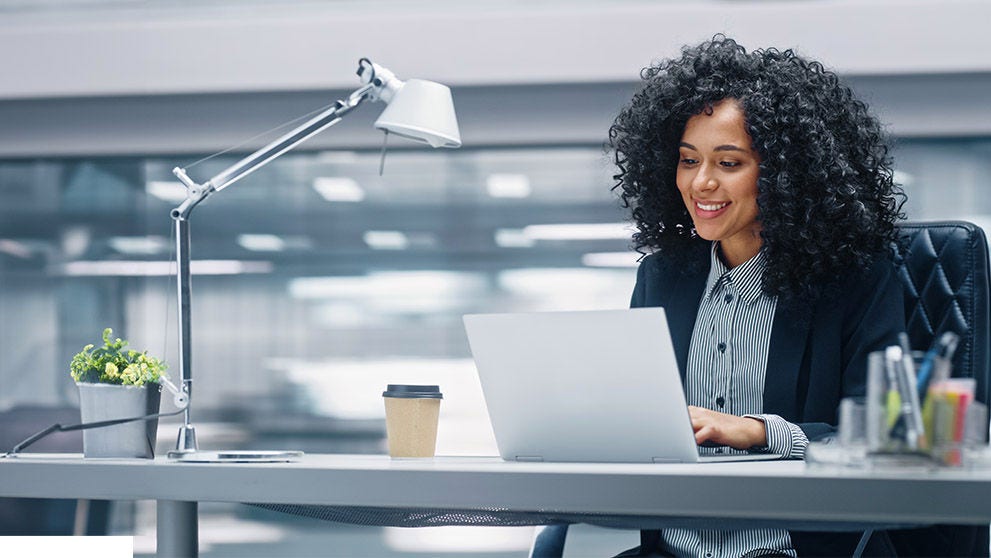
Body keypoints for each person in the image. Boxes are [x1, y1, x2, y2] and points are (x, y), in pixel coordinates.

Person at [609, 36, 907, 557]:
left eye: (728, 163)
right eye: (687, 160)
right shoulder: (663, 278)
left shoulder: (855, 280)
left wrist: (760, 432)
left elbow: (889, 441)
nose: (700, 182)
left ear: (787, 173)